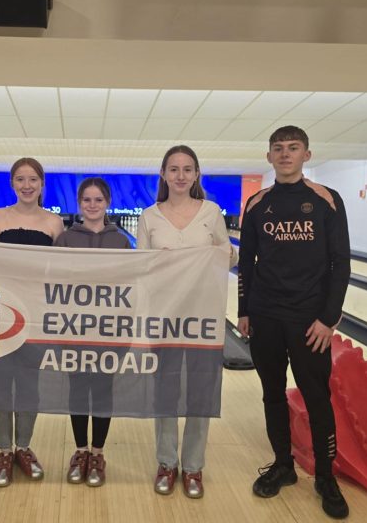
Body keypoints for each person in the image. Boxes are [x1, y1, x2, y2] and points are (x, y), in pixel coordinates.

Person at [237, 125, 351, 519]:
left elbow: (341, 264)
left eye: (293, 148)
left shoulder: (326, 200)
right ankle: (282, 465)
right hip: (266, 316)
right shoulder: (257, 203)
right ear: (268, 157)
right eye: (278, 149)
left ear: (307, 154)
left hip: (308, 321)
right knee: (272, 393)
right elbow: (246, 263)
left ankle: (325, 476)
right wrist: (244, 311)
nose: (285, 154)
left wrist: (327, 319)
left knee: (317, 397)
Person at [136, 145, 235, 499]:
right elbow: (140, 268)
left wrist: (218, 254)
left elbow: (228, 254)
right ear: (163, 174)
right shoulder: (149, 216)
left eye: (187, 169)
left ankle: (193, 467)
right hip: (163, 318)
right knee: (165, 393)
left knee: (199, 394)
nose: (180, 175)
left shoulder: (211, 212)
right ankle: (166, 462)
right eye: (174, 169)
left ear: (196, 175)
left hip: (202, 317)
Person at [0, 157, 64, 487]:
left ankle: (24, 447)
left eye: (33, 179)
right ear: (12, 183)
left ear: (42, 184)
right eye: (20, 179)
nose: (27, 185)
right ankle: (3, 449)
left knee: (29, 384)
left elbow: (60, 272)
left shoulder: (55, 223)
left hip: (36, 315)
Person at [54, 177, 131, 487]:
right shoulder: (65, 239)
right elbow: (54, 281)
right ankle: (80, 451)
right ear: (79, 203)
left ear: (107, 202)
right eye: (86, 199)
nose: (92, 205)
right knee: (77, 390)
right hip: (74, 329)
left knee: (102, 391)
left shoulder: (122, 241)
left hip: (109, 330)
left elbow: (131, 285)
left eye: (98, 199)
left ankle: (98, 453)